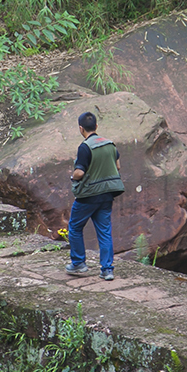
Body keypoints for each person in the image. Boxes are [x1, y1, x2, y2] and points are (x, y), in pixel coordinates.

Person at [66, 111, 124, 280]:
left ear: (80, 128)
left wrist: (73, 176)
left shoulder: (85, 147)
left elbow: (79, 173)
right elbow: (118, 166)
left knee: (75, 228)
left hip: (88, 197)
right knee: (105, 232)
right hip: (107, 195)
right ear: (96, 126)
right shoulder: (110, 144)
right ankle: (107, 270)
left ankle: (78, 264)